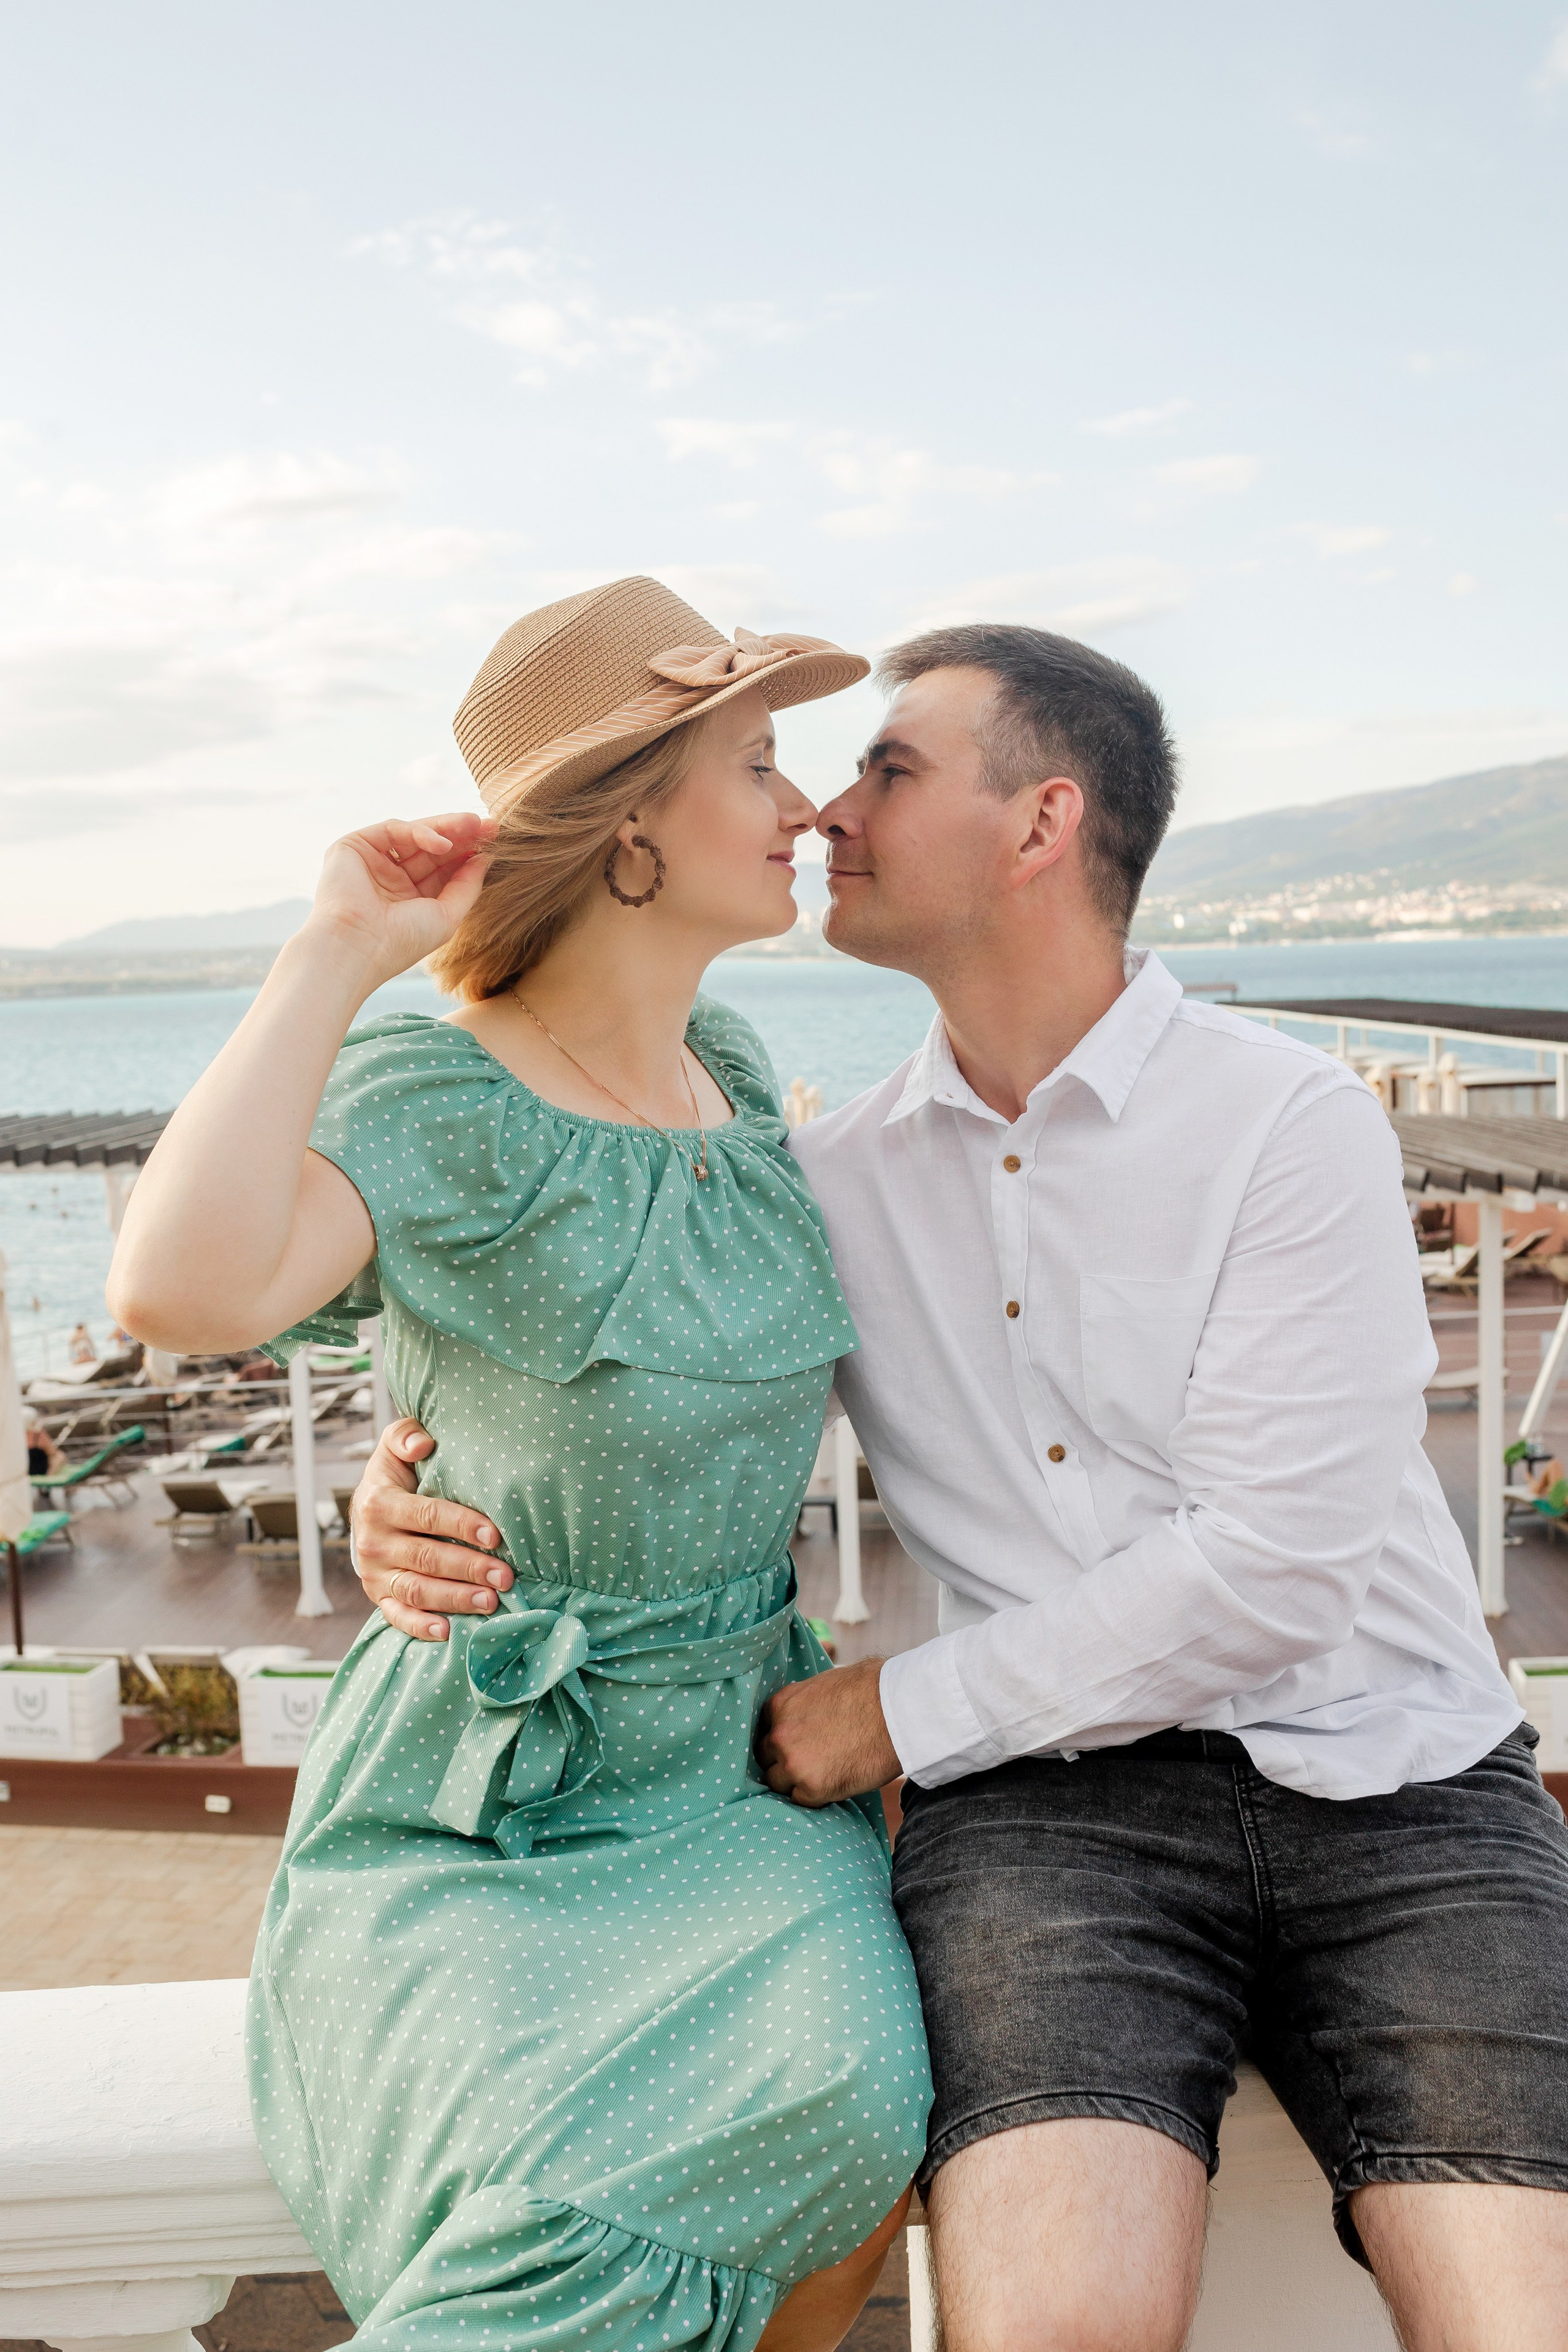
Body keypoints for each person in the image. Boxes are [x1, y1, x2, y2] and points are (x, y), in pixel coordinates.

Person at [359, 622, 1568, 2351]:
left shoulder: (1289, 1122)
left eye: (889, 769)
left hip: (1405, 1781)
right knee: (1058, 2326)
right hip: (1053, 1817)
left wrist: (892, 1714)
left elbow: (1276, 1569)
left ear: (1041, 824)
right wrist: (415, 1484)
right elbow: (619, 1386)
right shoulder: (819, 1177)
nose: (827, 811)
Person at [107, 577, 931, 2352]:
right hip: (485, 1801)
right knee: (560, 2184)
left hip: (739, 1778)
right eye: (758, 765)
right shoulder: (439, 1091)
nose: (805, 808)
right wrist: (334, 951)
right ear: (630, 826)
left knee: (854, 2094)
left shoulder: (733, 1067)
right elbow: (177, 1290)